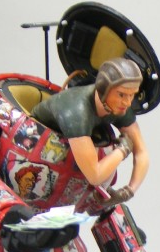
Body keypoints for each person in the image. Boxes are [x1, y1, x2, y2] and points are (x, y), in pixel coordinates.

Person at [32, 57, 150, 205]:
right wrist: (123, 150)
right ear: (103, 90)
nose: (127, 102)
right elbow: (95, 176)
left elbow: (141, 152)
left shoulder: (119, 106)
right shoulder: (77, 112)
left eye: (132, 95)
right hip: (39, 140)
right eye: (121, 94)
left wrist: (128, 191)